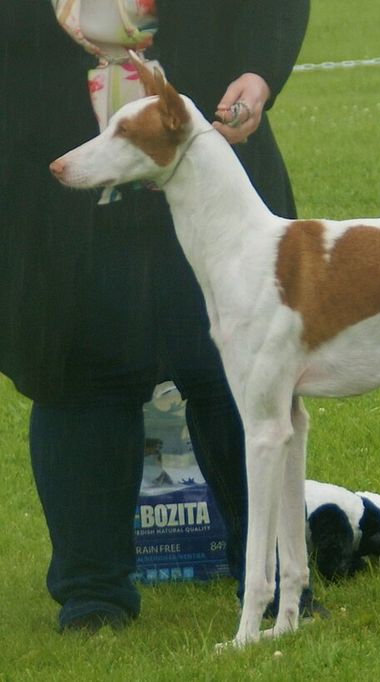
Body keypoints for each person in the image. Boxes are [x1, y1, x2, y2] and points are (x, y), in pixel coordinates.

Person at [0, 0, 311, 632]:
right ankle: (92, 594)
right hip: (52, 156)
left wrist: (259, 70)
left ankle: (276, 578)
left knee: (240, 376)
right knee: (78, 372)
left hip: (209, 149)